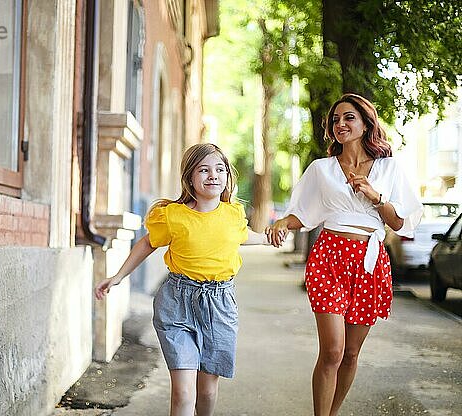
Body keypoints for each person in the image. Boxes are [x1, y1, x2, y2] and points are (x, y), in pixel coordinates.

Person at [266, 93, 423, 416]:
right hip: (329, 258)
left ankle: (331, 412)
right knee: (333, 351)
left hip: (369, 261)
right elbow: (304, 215)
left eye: (349, 118)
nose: (340, 124)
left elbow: (400, 222)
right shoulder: (321, 169)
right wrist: (283, 221)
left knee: (351, 353)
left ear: (366, 124)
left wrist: (375, 196)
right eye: (335, 120)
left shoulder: (389, 168)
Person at [95, 143, 270, 416]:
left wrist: (269, 237)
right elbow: (147, 244)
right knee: (183, 392)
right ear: (190, 177)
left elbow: (244, 236)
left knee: (208, 391)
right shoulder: (172, 216)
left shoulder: (233, 213)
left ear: (227, 177)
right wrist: (118, 276)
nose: (213, 175)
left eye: (219, 169)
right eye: (204, 170)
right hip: (177, 303)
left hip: (220, 306)